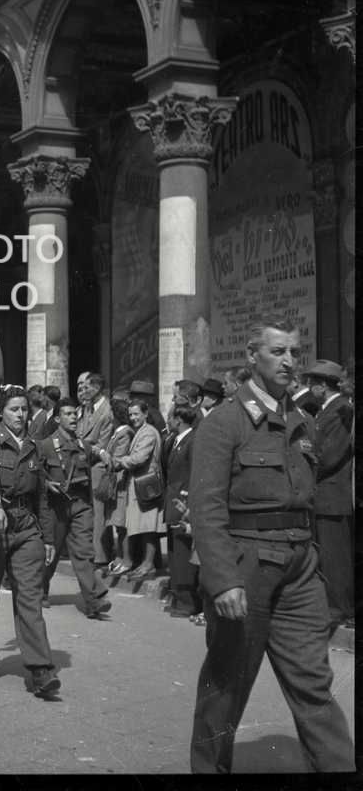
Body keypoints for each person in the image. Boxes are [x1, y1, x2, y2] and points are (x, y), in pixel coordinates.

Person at [188, 320, 354, 773]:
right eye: (278, 352)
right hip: (248, 568)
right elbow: (206, 509)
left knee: (313, 683)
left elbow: (307, 499)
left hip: (300, 570)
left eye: (294, 353)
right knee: (226, 685)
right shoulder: (224, 423)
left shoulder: (302, 421)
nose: (288, 361)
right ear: (251, 355)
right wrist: (222, 580)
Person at [0, 385, 61, 698]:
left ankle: (39, 668)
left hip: (25, 528)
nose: (20, 415)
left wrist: (46, 537)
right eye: (13, 409)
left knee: (30, 598)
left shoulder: (34, 446)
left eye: (23, 409)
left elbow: (42, 496)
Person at [37, 397, 112, 618]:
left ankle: (94, 601)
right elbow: (34, 473)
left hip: (80, 506)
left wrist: (104, 454)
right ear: (58, 418)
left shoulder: (82, 445)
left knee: (84, 553)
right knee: (51, 554)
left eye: (75, 414)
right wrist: (45, 483)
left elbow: (95, 452)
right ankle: (39, 591)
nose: (73, 418)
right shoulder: (46, 445)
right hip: (56, 508)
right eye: (68, 414)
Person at [303, 359, 354, 630]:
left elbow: (328, 456)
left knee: (336, 558)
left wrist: (304, 466)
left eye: (313, 383)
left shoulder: (340, 410)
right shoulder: (326, 410)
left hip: (334, 497)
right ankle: (329, 605)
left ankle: (339, 608)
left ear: (323, 386)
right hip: (323, 496)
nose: (310, 388)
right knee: (325, 555)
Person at [111, 398, 164, 579]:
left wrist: (118, 461)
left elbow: (139, 458)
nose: (133, 418)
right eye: (131, 414)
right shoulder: (141, 431)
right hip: (140, 484)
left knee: (149, 527)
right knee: (143, 526)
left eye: (136, 414)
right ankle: (144, 563)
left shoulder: (148, 433)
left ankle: (148, 564)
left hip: (146, 485)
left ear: (145, 414)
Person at [161, 404, 200, 618]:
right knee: (175, 553)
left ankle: (187, 602)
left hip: (182, 501)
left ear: (179, 419)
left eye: (170, 417)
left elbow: (194, 473)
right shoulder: (174, 441)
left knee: (184, 554)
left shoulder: (192, 441)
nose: (168, 421)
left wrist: (188, 501)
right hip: (172, 500)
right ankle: (177, 596)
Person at [76, 372, 114, 572]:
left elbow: (102, 443)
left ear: (97, 388)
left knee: (99, 513)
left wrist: (87, 449)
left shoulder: (106, 412)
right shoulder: (86, 409)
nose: (84, 391)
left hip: (97, 465)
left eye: (87, 387)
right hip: (86, 464)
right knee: (90, 513)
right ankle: (93, 552)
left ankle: (100, 556)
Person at [101, 392, 133, 574]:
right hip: (115, 484)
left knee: (121, 524)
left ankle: (125, 559)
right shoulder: (117, 433)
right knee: (116, 524)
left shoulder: (124, 434)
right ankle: (119, 557)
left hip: (120, 484)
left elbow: (118, 459)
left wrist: (104, 455)